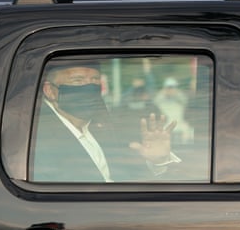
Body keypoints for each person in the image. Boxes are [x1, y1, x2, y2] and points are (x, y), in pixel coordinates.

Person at [31, 61, 181, 182]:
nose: (89, 87)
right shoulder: (37, 140)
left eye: (95, 80)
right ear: (49, 91)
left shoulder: (104, 129)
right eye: (78, 80)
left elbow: (126, 178)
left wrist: (159, 162)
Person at [153, 77, 194, 144]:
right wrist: (164, 92)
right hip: (166, 123)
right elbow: (155, 101)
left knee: (189, 131)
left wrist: (176, 93)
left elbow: (185, 101)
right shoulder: (161, 98)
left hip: (180, 122)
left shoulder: (180, 97)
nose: (170, 89)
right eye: (168, 87)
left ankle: (185, 146)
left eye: (172, 87)